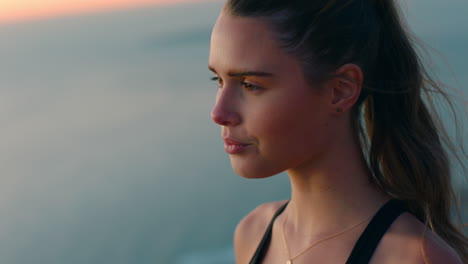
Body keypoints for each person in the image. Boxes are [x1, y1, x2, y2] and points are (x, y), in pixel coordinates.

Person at [208, 0, 467, 263]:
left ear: (340, 91)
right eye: (218, 80)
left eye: (250, 85)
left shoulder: (414, 257)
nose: (218, 113)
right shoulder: (252, 233)